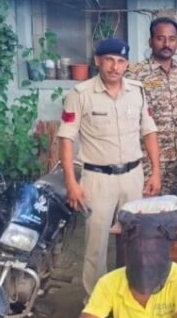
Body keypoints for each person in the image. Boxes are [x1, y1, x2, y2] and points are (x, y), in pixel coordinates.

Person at [58, 37, 161, 295]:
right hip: (97, 179)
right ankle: (96, 303)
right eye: (109, 60)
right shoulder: (80, 94)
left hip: (133, 176)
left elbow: (148, 131)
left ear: (127, 64)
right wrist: (71, 183)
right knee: (96, 245)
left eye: (121, 61)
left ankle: (131, 296)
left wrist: (156, 172)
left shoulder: (137, 91)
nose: (115, 67)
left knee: (134, 240)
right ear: (98, 61)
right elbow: (66, 138)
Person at [127, 17, 177, 195]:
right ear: (151, 41)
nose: (166, 44)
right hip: (148, 160)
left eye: (172, 39)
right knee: (148, 207)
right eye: (160, 38)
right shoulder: (135, 74)